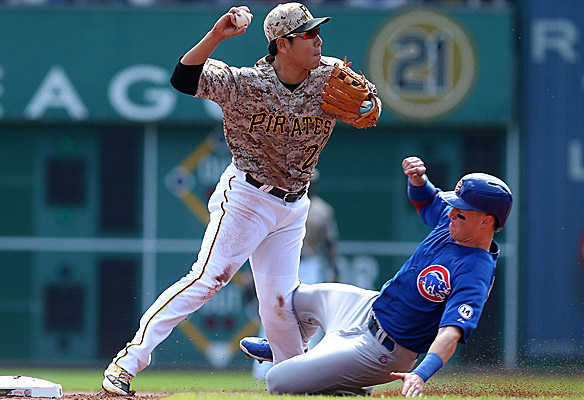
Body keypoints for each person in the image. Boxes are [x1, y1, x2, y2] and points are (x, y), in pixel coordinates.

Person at [102, 3, 380, 395]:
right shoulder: (246, 83)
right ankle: (127, 362)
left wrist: (369, 106)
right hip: (248, 197)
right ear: (282, 45)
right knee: (208, 279)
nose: (318, 40)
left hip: (294, 204)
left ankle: (301, 376)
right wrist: (216, 36)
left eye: (318, 32)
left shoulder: (330, 74)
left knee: (280, 303)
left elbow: (371, 108)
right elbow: (184, 78)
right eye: (307, 35)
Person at [239, 156, 513, 397]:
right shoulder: (453, 221)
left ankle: (348, 385)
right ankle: (287, 348)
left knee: (277, 381)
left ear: (486, 221)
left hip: (385, 351)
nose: (451, 213)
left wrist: (421, 373)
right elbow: (427, 200)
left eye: (460, 212)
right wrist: (418, 181)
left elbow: (451, 332)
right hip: (367, 308)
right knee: (291, 299)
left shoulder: (475, 271)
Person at [251, 169, 339, 378]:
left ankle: (308, 365)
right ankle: (263, 367)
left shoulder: (322, 210)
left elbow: (330, 244)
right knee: (274, 309)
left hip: (310, 263)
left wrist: (333, 269)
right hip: (285, 262)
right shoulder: (285, 204)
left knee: (310, 315)